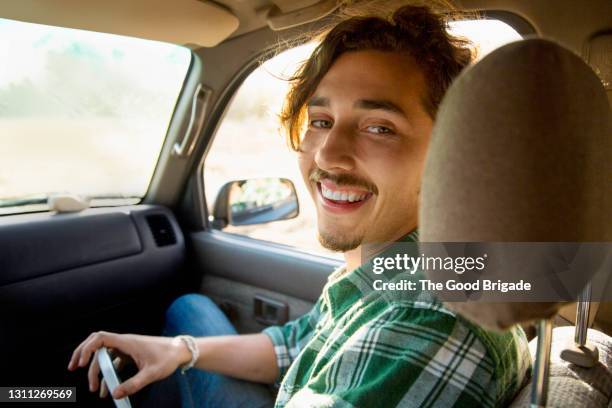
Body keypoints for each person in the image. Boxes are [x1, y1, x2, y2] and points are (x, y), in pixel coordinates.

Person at [68, 3, 531, 407]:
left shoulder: (425, 321)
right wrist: (180, 351)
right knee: (189, 312)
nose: (328, 154)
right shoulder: (391, 268)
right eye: (322, 120)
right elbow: (294, 344)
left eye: (379, 127)